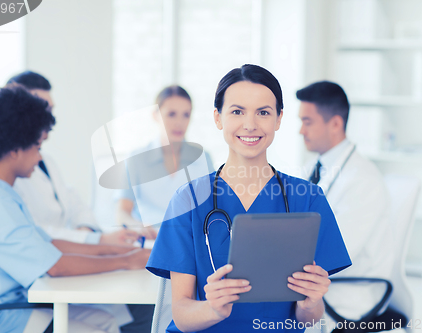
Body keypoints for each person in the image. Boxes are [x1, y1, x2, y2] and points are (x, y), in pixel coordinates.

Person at [146, 64, 352, 333]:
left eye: (263, 113)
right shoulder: (188, 200)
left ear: (278, 119)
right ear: (218, 118)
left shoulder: (309, 200)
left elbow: (310, 318)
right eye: (237, 111)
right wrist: (212, 309)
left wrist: (310, 303)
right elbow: (182, 314)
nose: (250, 124)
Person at [0, 85, 151, 333]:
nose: (40, 158)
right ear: (15, 150)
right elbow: (56, 265)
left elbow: (50, 244)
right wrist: (126, 261)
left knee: (107, 321)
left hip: (16, 303)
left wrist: (115, 249)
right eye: (37, 147)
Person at [0, 71, 138, 245]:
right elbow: (30, 230)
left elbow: (71, 199)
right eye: (40, 107)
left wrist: (86, 230)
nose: (48, 118)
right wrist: (93, 240)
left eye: (50, 109)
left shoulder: (45, 160)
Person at [296, 81, 395, 330]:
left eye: (307, 122)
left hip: (348, 293)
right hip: (320, 285)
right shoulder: (315, 168)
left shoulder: (363, 179)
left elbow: (336, 254)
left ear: (336, 124)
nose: (300, 130)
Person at [115, 85, 214, 239]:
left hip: (189, 240)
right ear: (155, 115)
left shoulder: (202, 158)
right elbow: (122, 212)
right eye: (171, 114)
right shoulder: (136, 160)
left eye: (186, 115)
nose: (179, 122)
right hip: (151, 241)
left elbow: (211, 208)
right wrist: (138, 227)